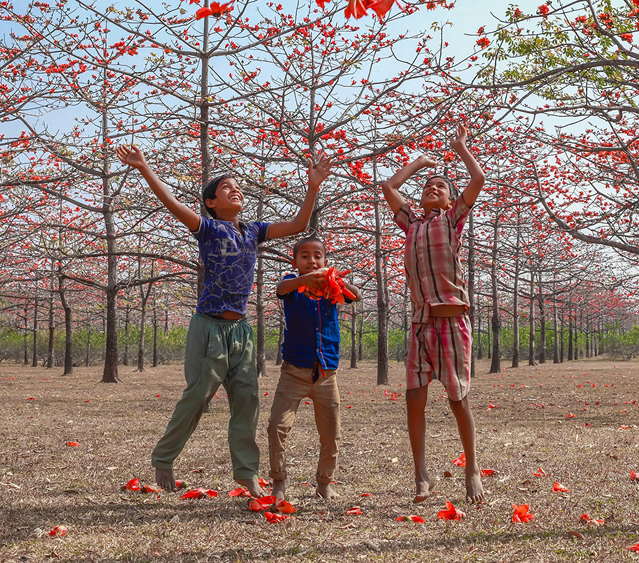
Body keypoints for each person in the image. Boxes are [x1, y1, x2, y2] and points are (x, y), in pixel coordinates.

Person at [116, 143, 333, 496]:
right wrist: (144, 168)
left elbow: (298, 224)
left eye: (238, 187)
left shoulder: (253, 230)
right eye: (225, 188)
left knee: (247, 400)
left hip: (241, 329)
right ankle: (164, 458)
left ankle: (246, 472)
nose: (235, 190)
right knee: (198, 395)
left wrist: (312, 186)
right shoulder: (207, 228)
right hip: (209, 326)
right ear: (211, 203)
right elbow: (172, 205)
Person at [381, 124, 486, 504]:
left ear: (450, 201)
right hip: (419, 323)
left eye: (440, 187)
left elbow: (478, 178)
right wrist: (418, 163)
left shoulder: (451, 220)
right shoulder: (411, 223)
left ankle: (471, 468)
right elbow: (389, 189)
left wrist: (460, 148)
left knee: (458, 400)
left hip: (452, 321)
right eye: (427, 186)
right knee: (414, 398)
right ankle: (421, 474)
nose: (432, 188)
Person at [267, 236, 361, 501]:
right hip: (294, 372)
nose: (312, 261)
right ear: (295, 261)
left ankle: (324, 483)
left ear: (325, 261)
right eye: (305, 256)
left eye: (317, 256)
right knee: (277, 426)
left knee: (331, 433)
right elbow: (281, 287)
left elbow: (357, 295)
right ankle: (279, 482)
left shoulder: (333, 288)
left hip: (326, 374)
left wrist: (337, 281)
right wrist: (303, 281)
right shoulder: (292, 285)